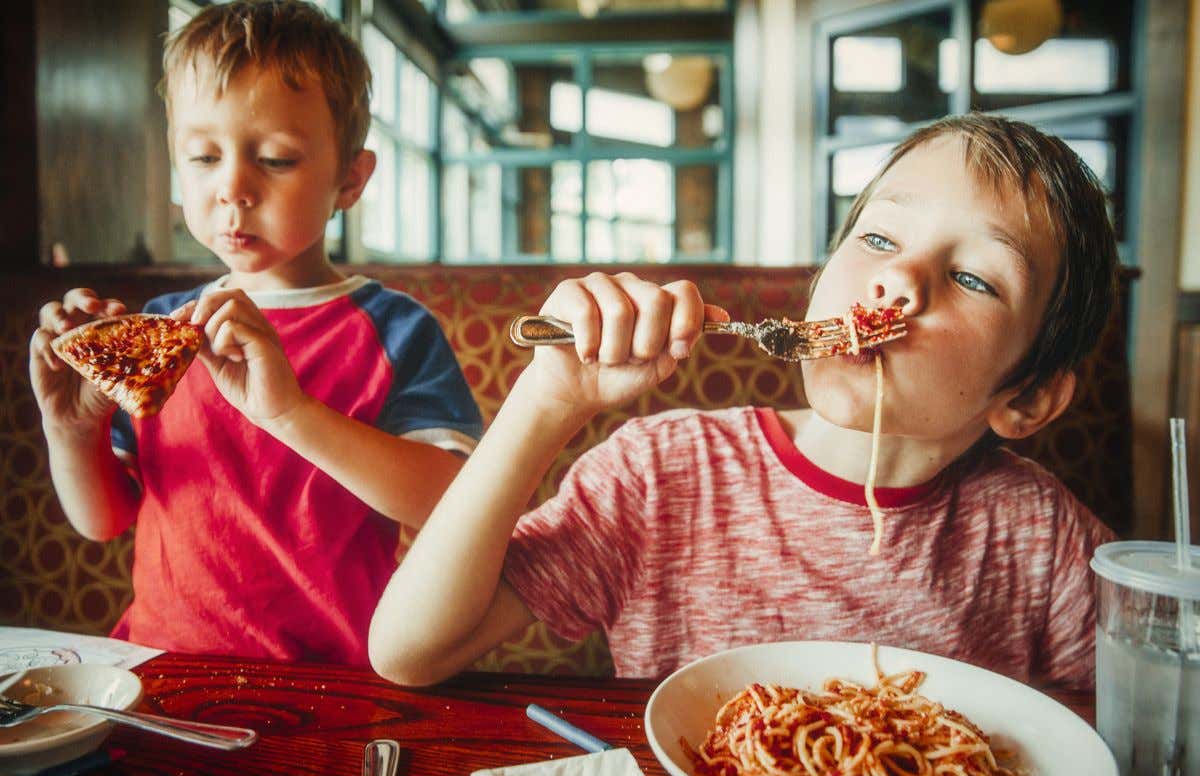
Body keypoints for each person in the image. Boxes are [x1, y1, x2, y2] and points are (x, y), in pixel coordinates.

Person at [367, 113, 1119, 689]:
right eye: (881, 239)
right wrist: (546, 399)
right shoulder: (662, 473)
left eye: (974, 278)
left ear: (1027, 398)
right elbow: (411, 651)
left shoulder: (1042, 538)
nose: (898, 282)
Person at [28, 0, 481, 664]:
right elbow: (103, 520)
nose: (233, 187)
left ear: (350, 178)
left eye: (274, 159)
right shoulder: (157, 331)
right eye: (204, 156)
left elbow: (453, 508)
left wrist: (293, 413)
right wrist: (71, 428)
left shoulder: (395, 331)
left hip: (338, 678)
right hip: (159, 666)